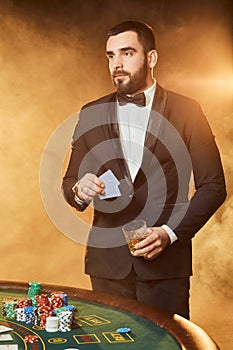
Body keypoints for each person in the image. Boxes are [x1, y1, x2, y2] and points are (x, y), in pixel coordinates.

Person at [62, 20, 226, 319]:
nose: (117, 64)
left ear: (151, 58)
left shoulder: (188, 110)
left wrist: (169, 233)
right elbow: (70, 183)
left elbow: (214, 186)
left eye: (127, 53)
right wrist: (79, 190)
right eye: (111, 56)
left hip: (166, 266)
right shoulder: (90, 112)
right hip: (106, 266)